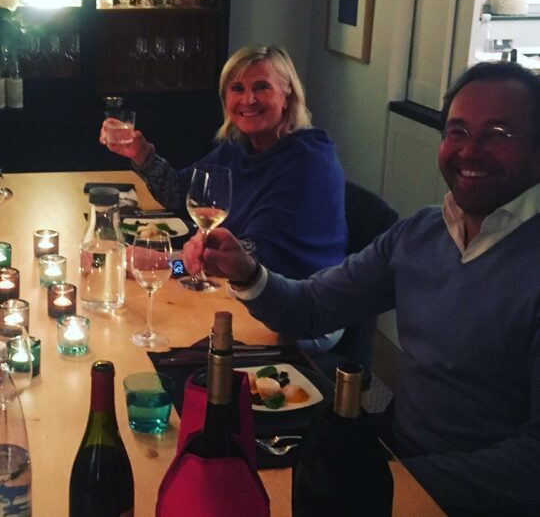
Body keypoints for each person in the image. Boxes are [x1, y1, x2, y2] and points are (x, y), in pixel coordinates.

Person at [184, 61, 540, 515]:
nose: (470, 150)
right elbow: (311, 307)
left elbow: (531, 462)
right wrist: (247, 272)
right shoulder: (422, 233)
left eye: (497, 134)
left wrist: (391, 482)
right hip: (397, 450)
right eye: (458, 131)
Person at [100, 45, 347, 354]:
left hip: (303, 313)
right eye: (237, 88)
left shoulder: (308, 162)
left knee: (162, 337)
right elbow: (180, 194)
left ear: (288, 96)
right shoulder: (240, 148)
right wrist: (141, 154)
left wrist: (164, 264)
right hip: (246, 290)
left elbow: (252, 257)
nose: (248, 100)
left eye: (262, 87)